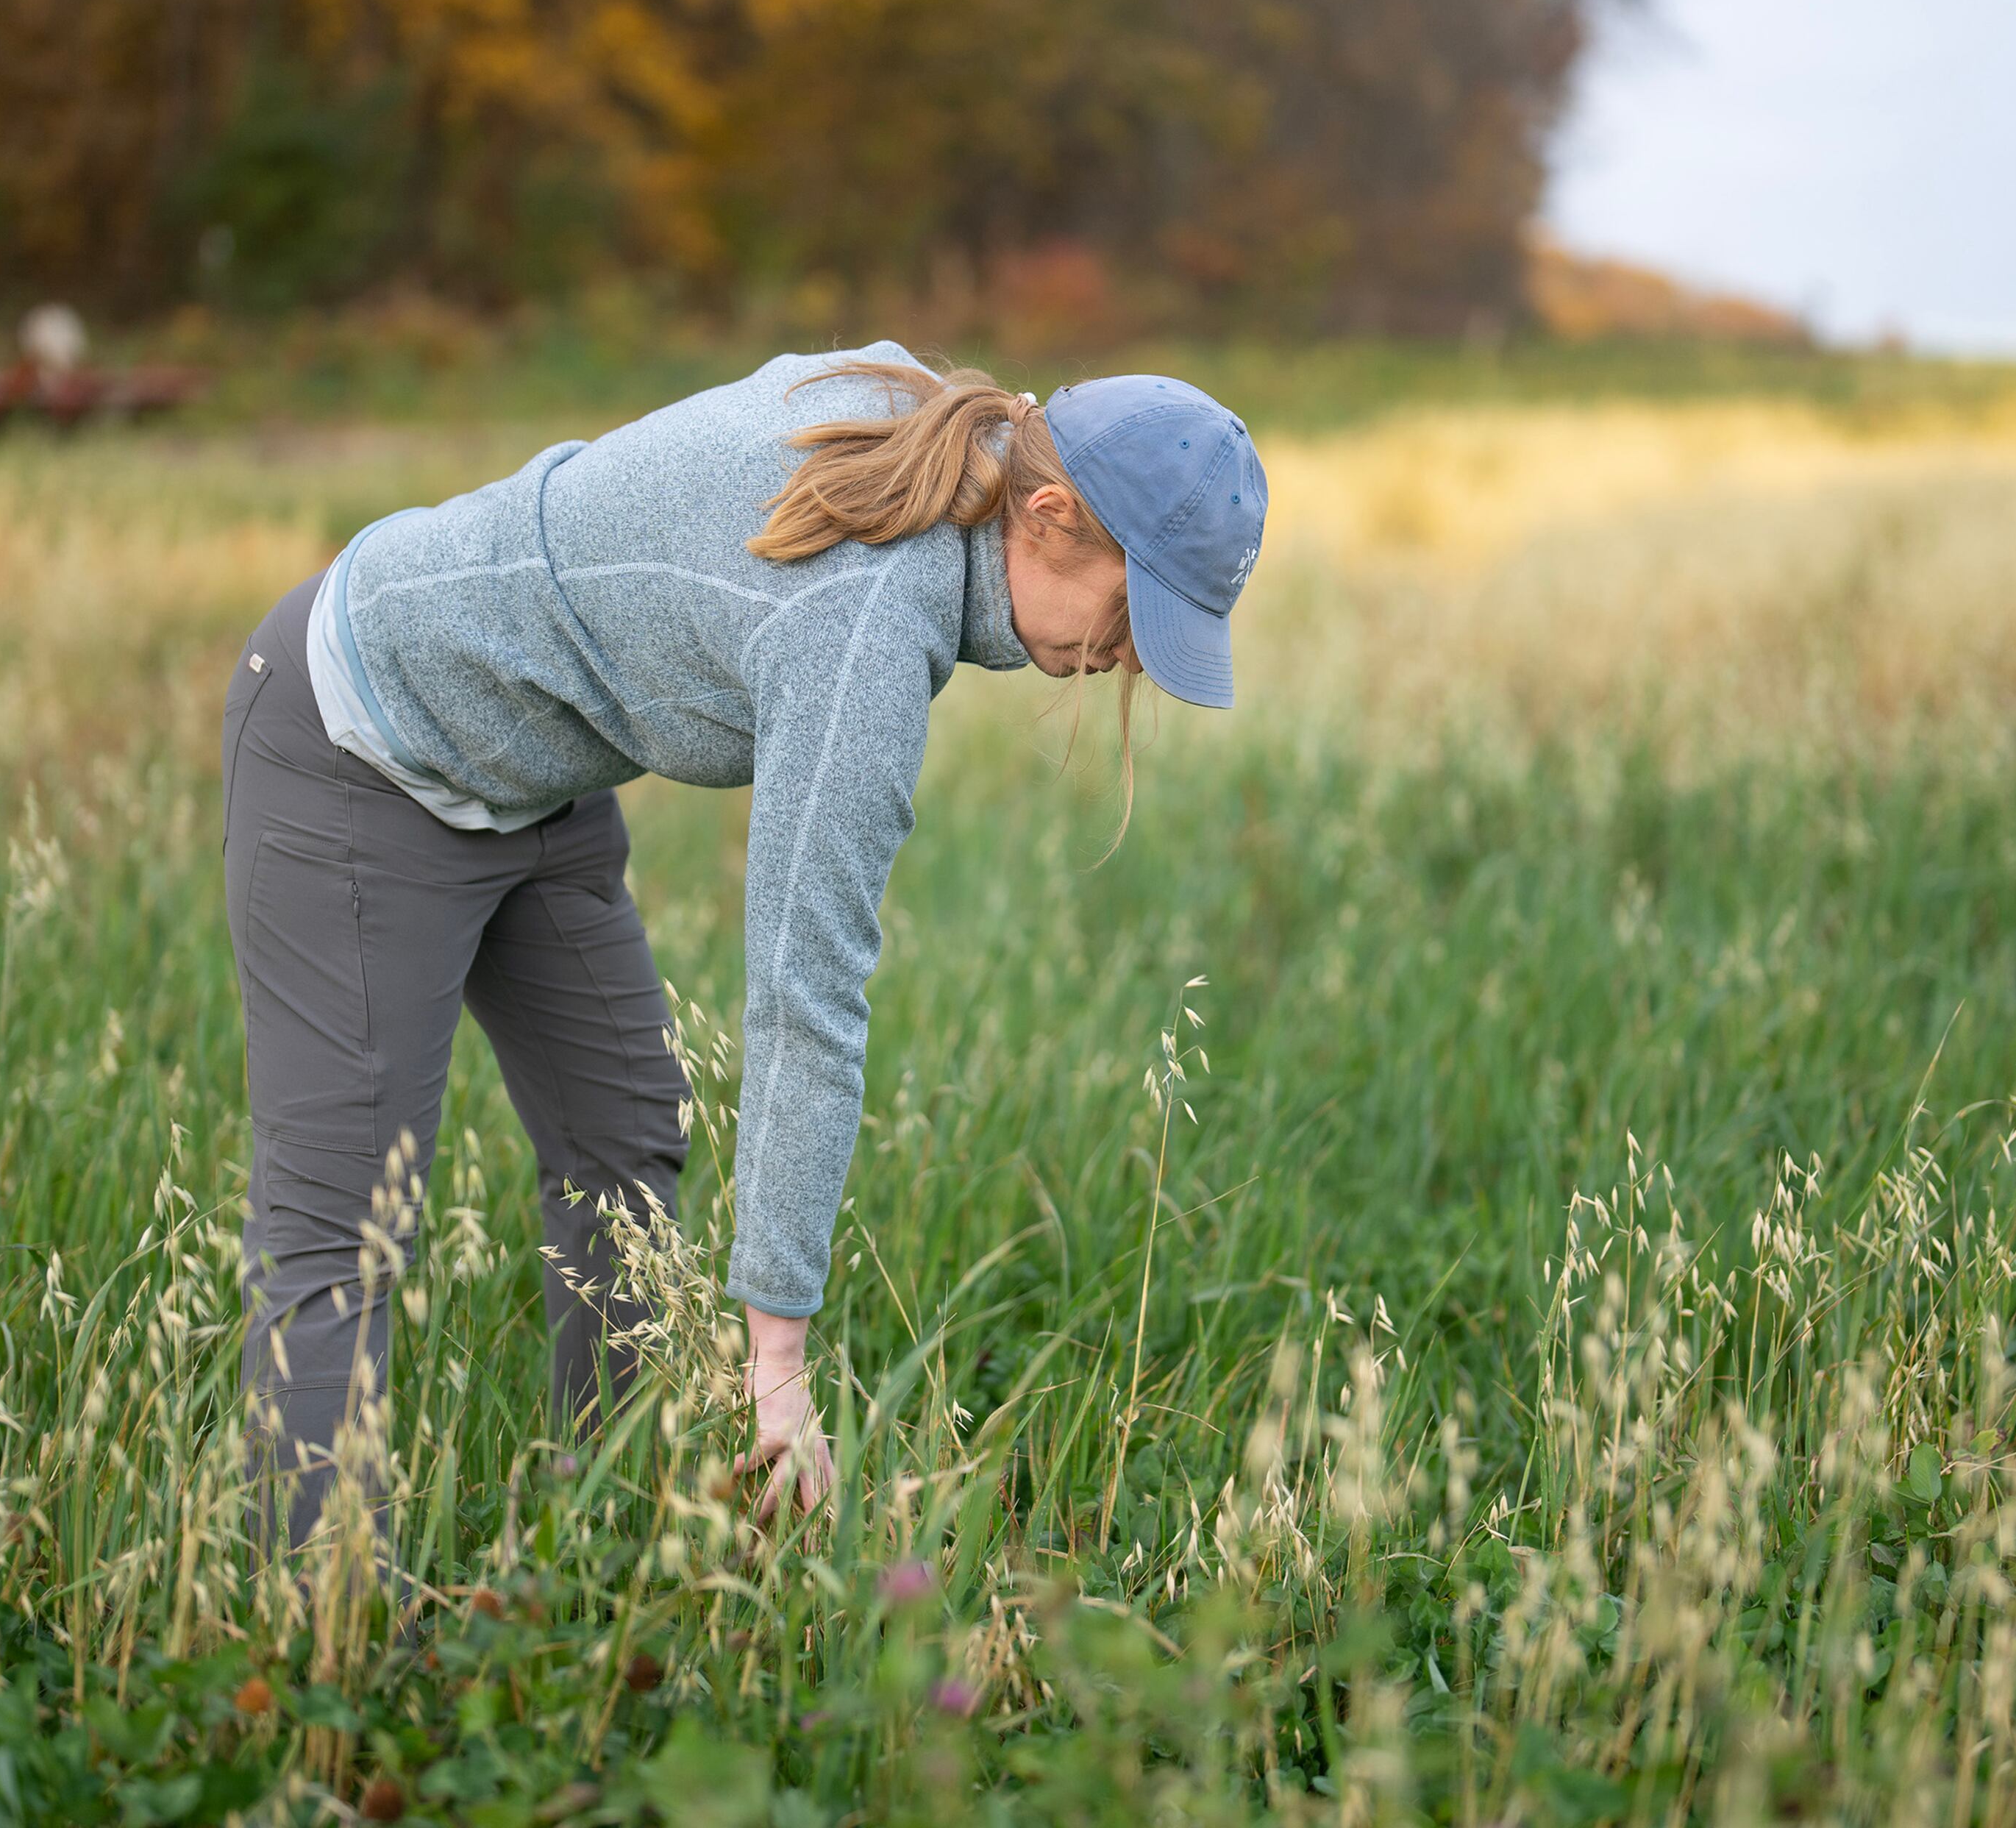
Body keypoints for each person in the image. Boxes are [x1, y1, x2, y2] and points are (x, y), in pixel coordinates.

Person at [220, 344, 1267, 1547]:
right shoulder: (865, 624)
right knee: (344, 1223)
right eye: (1137, 614)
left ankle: (596, 1538)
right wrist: (780, 1359)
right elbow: (803, 998)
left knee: (625, 1134)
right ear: (1047, 513)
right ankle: (325, 1621)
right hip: (360, 738)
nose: (1129, 658)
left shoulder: (934, 428)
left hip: (534, 772)